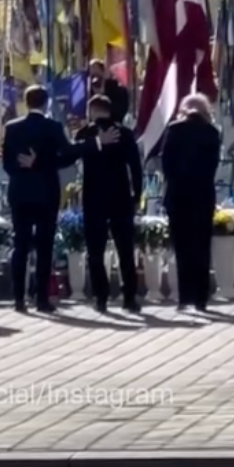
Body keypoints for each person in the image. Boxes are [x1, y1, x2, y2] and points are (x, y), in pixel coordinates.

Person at [3, 84, 75, 314]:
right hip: (46, 192)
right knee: (45, 245)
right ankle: (42, 299)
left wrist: (23, 166)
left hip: (20, 192)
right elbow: (68, 155)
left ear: (26, 102)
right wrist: (44, 163)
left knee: (20, 244)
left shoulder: (12, 128)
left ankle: (18, 299)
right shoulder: (52, 127)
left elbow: (7, 163)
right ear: (46, 103)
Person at [75, 92, 142, 313]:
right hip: (121, 196)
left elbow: (74, 157)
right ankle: (129, 297)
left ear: (92, 111)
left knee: (96, 250)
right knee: (125, 249)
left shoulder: (85, 133)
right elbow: (135, 167)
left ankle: (101, 297)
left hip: (94, 198)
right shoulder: (125, 133)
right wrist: (138, 194)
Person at [160, 94, 221, 311]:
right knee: (202, 247)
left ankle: (184, 297)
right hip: (203, 195)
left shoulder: (175, 129)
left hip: (178, 195)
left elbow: (166, 163)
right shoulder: (212, 132)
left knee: (182, 247)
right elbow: (213, 165)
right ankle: (201, 298)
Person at [88, 58, 130, 125]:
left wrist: (103, 94)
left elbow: (120, 112)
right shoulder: (90, 92)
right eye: (92, 75)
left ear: (104, 72)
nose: (95, 79)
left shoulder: (119, 90)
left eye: (97, 73)